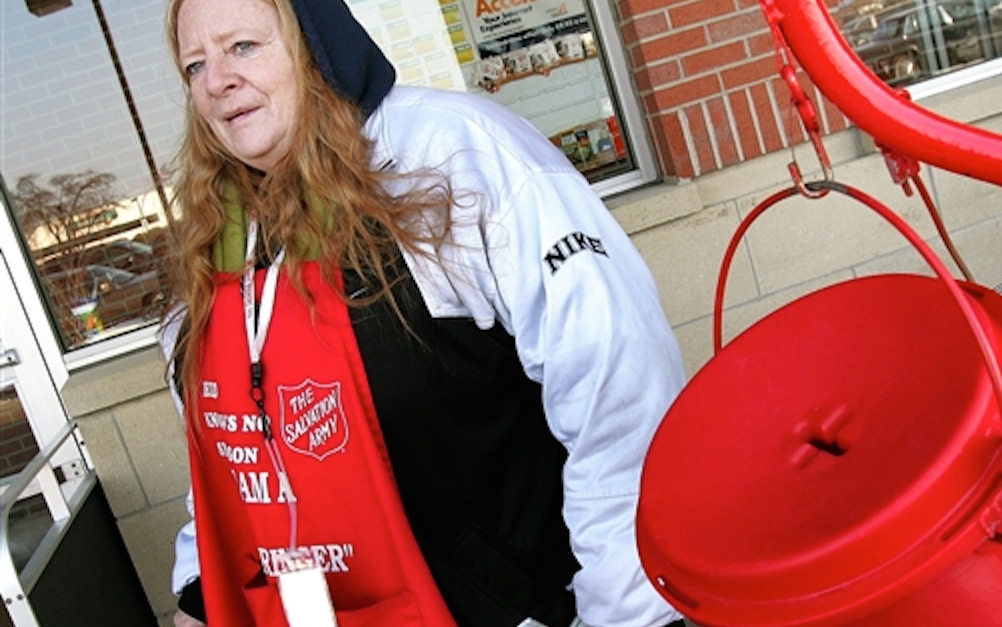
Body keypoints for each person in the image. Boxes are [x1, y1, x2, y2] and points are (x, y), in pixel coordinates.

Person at [160, 0, 687, 625]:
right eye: (195, 65)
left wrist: (626, 609)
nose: (216, 80)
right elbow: (234, 452)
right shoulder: (217, 233)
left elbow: (615, 385)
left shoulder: (451, 153)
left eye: (242, 47)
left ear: (313, 44)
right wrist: (200, 589)